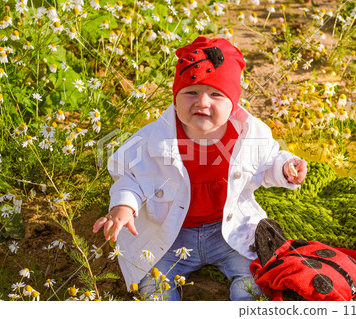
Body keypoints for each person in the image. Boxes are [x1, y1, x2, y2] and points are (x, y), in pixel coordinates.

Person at [92, 36, 307, 301]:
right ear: (175, 98)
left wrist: (285, 168)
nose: (202, 102)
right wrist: (124, 206)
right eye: (191, 92)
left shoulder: (249, 134)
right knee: (151, 281)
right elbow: (131, 176)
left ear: (234, 102)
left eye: (216, 94)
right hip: (171, 234)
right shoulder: (155, 137)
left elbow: (267, 163)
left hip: (227, 233)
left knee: (256, 276)